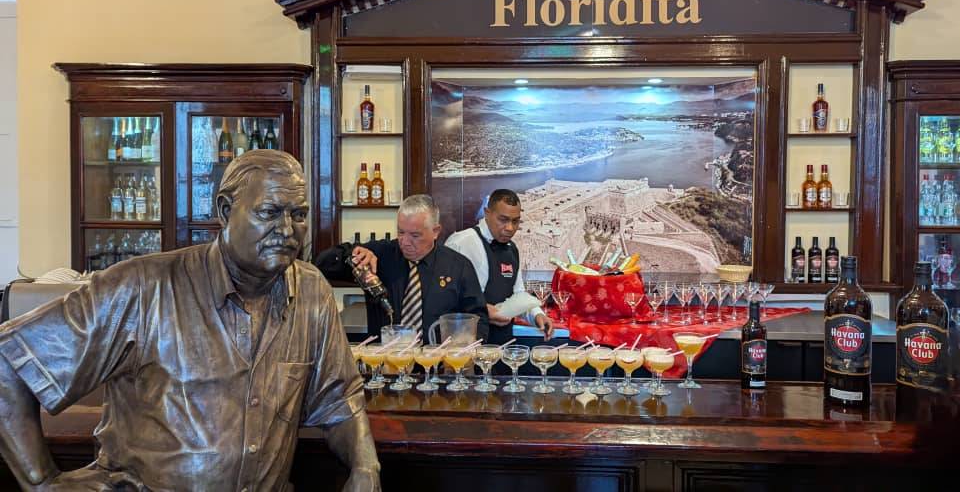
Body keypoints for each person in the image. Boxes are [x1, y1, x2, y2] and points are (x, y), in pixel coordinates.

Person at [0, 150, 380, 491]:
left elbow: (338, 398)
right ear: (224, 210)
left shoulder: (311, 292)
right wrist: (42, 483)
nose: (287, 230)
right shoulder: (141, 287)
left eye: (298, 215)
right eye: (269, 212)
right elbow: (8, 365)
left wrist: (366, 466)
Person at [315, 194, 488, 342]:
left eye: (415, 235)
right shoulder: (379, 256)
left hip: (437, 367)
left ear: (435, 231)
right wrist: (351, 254)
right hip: (387, 365)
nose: (405, 242)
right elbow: (322, 265)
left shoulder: (458, 266)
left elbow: (479, 320)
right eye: (400, 232)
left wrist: (459, 353)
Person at [445, 189, 554, 344]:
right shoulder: (460, 243)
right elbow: (444, 298)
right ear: (487, 213)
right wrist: (483, 310)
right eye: (503, 220)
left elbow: (518, 294)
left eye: (515, 221)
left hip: (502, 344)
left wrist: (537, 315)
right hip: (465, 343)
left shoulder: (512, 249)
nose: (510, 228)